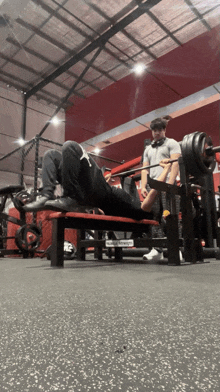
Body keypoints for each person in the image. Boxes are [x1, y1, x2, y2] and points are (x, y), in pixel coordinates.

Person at [23, 140, 172, 222]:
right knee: (51, 155)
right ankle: (46, 196)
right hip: (99, 193)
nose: (147, 198)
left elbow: (156, 189)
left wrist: (166, 169)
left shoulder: (142, 211)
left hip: (100, 194)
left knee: (71, 147)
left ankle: (67, 197)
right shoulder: (129, 204)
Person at [141, 115, 181, 261]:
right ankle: (157, 250)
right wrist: (143, 186)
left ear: (164, 130)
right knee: (155, 218)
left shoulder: (172, 143)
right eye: (154, 130)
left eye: (159, 130)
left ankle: (176, 248)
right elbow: (145, 169)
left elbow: (175, 164)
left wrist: (170, 185)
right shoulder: (147, 149)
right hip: (153, 187)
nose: (156, 133)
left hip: (167, 186)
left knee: (170, 216)